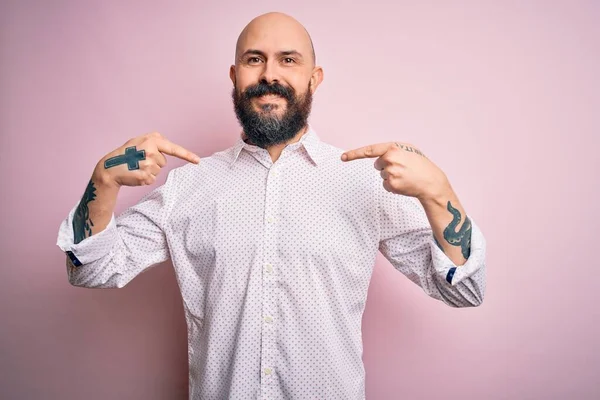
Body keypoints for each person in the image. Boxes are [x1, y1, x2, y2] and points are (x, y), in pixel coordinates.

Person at [56, 11, 486, 400]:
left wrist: (439, 194)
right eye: (254, 59)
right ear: (235, 75)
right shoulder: (189, 185)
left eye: (289, 60)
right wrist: (104, 180)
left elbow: (464, 290)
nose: (270, 74)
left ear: (314, 78)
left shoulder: (364, 183)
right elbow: (90, 269)